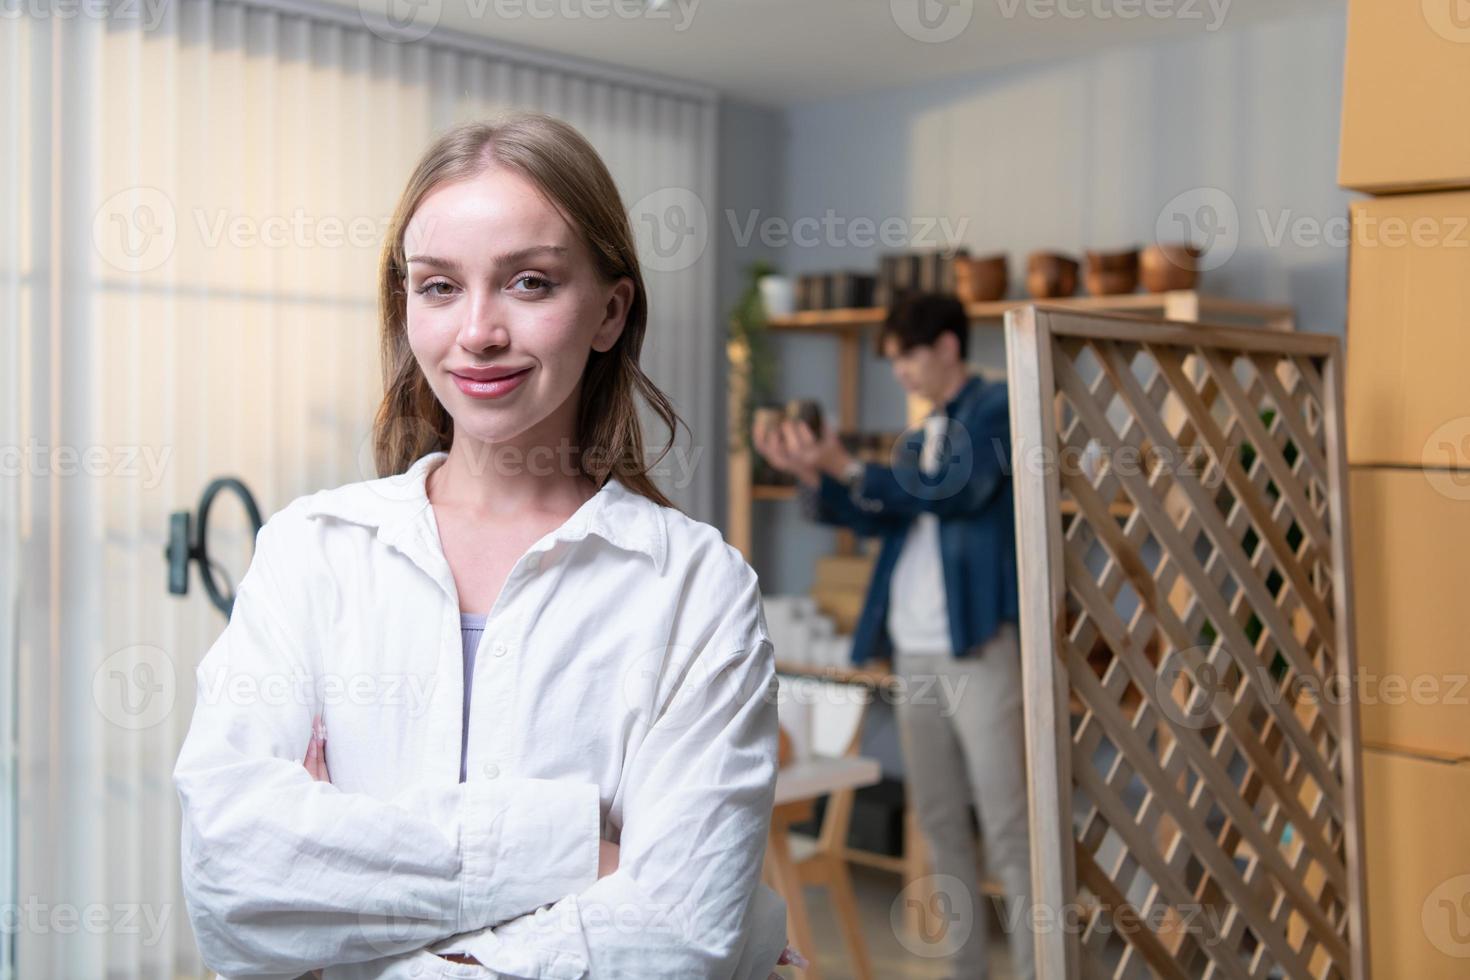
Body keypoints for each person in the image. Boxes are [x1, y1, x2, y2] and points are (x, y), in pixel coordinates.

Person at [172, 113, 805, 980]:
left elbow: (677, 937)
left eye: (530, 283)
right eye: (438, 287)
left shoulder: (695, 588)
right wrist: (575, 853)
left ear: (610, 312)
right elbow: (230, 876)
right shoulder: (311, 552)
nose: (478, 331)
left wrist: (349, 926)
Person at [752, 292, 1033, 980]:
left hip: (977, 647)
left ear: (945, 346)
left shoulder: (994, 410)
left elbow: (957, 492)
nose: (901, 372)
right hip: (914, 651)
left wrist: (848, 465)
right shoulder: (917, 438)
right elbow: (880, 514)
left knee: (1009, 827)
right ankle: (967, 971)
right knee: (938, 823)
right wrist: (814, 471)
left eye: (907, 356)